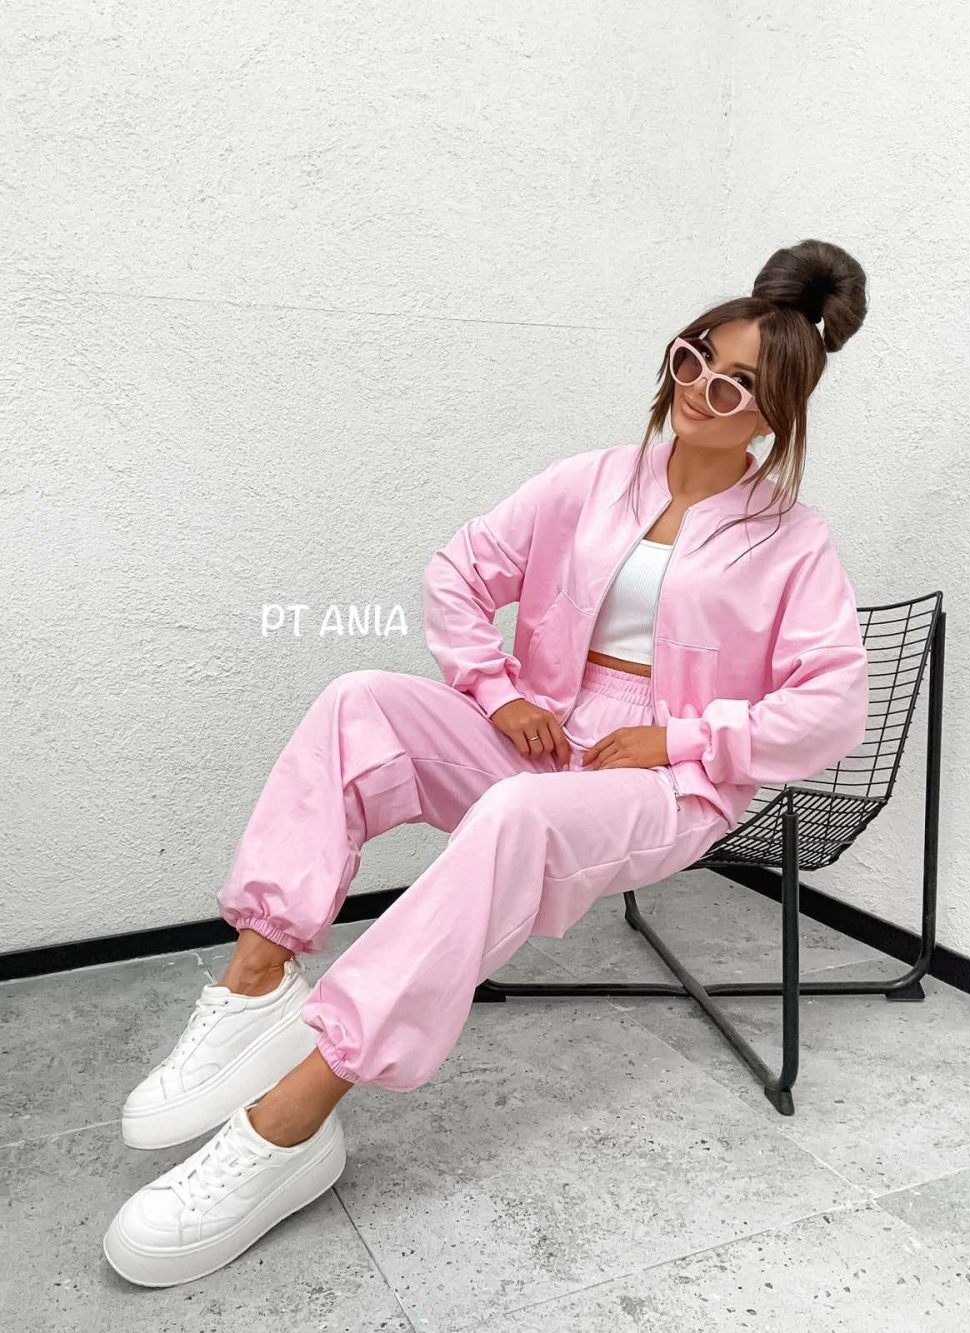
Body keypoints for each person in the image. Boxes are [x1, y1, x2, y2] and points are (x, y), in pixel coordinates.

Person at [102, 237, 871, 1287]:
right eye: (694, 358)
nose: (701, 389)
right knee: (358, 701)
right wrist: (500, 691)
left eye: (735, 384)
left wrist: (685, 738)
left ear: (773, 414)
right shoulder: (592, 481)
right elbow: (460, 573)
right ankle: (255, 979)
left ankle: (293, 1121)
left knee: (514, 818)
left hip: (667, 784)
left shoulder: (790, 539)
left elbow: (831, 706)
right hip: (544, 733)